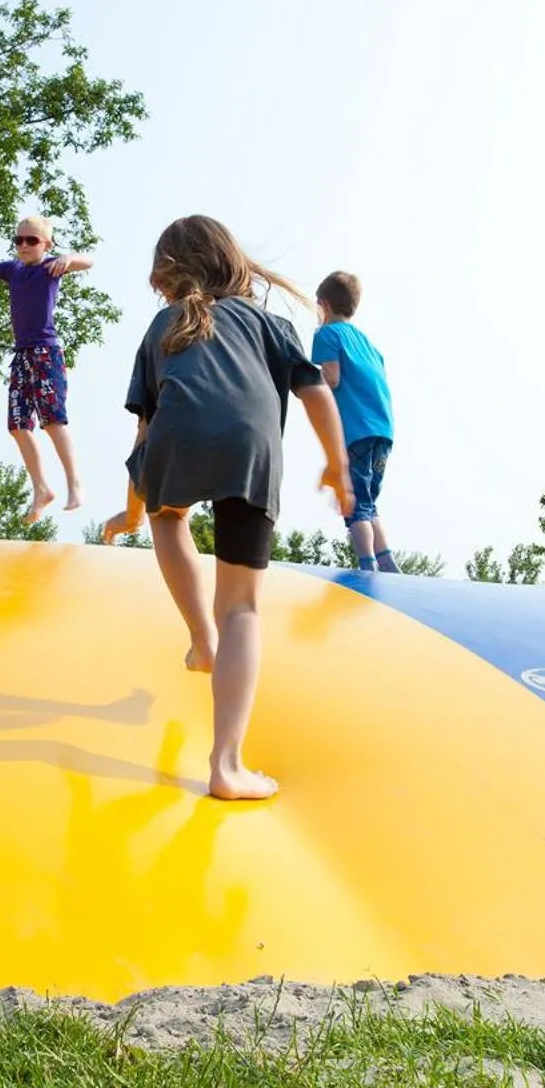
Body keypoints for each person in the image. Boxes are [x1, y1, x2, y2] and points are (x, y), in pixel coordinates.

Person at [103, 215, 351, 802]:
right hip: (251, 447)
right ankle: (227, 766)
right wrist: (337, 465)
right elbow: (316, 392)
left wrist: (135, 514)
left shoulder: (165, 326)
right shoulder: (268, 323)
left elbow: (146, 437)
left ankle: (201, 640)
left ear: (169, 276)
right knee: (242, 607)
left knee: (170, 518)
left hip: (178, 440)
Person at [0, 218, 93, 523]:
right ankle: (41, 488)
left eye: (32, 241)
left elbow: (89, 262)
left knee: (53, 420)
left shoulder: (51, 267)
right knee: (18, 425)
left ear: (47, 245)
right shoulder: (12, 270)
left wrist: (69, 259)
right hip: (21, 356)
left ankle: (74, 483)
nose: (24, 246)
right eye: (19, 241)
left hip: (46, 353)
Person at [311, 272, 398, 572]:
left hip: (356, 431)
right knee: (369, 501)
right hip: (383, 431)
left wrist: (303, 379)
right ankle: (387, 561)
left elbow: (331, 377)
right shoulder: (368, 344)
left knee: (356, 506)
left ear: (323, 305)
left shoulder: (327, 334)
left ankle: (367, 566)